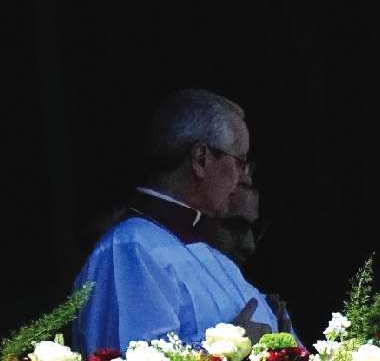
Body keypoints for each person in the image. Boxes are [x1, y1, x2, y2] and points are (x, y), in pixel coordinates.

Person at [74, 90, 290, 353]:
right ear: (201, 160)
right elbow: (129, 355)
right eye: (240, 162)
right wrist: (231, 350)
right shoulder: (129, 248)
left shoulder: (214, 255)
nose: (243, 179)